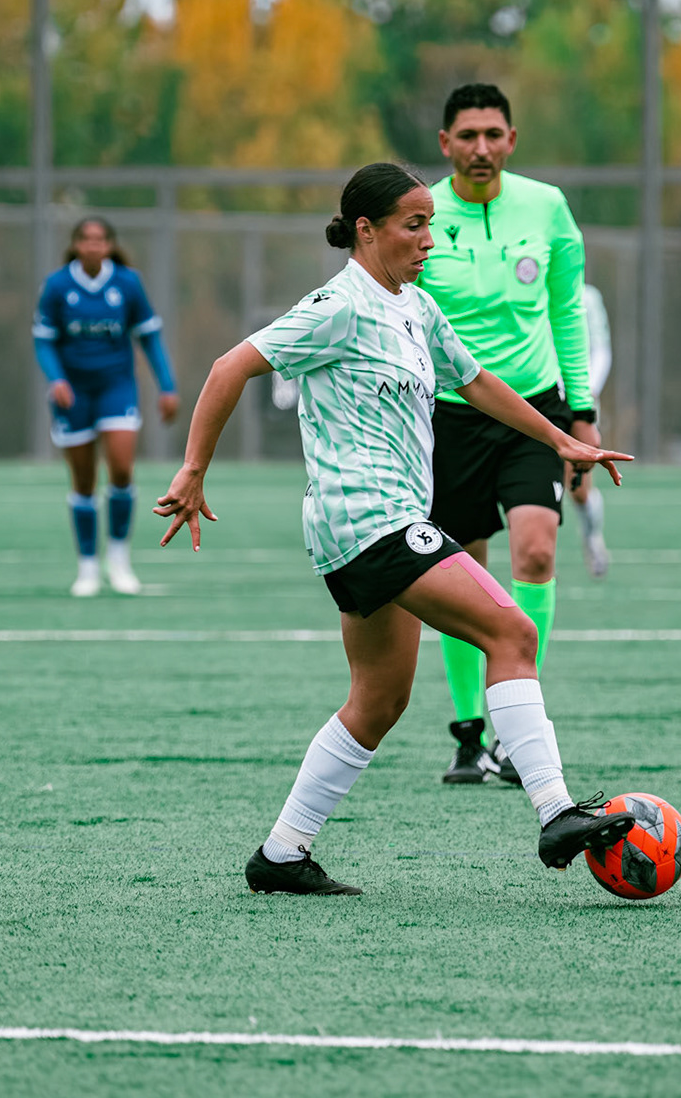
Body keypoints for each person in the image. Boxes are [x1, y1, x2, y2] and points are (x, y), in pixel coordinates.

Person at [154, 162, 635, 896]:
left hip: (374, 522)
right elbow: (229, 367)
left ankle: (281, 854)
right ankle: (555, 810)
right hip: (368, 516)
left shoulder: (415, 307)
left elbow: (475, 382)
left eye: (431, 225)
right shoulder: (337, 306)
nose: (428, 239)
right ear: (366, 230)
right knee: (512, 633)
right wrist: (193, 470)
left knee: (379, 699)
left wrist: (561, 437)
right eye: (414, 225)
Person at [418, 82, 598, 786]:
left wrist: (579, 411)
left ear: (512, 140)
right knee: (465, 572)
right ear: (446, 145)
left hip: (533, 412)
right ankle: (469, 732)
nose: (482, 148)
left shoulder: (547, 208)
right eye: (468, 135)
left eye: (494, 134)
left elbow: (566, 314)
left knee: (536, 548)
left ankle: (515, 731)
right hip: (450, 415)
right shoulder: (422, 213)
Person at [33, 216, 179, 597]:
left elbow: (150, 338)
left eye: (101, 239)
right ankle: (87, 566)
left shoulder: (128, 283)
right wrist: (57, 379)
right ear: (76, 245)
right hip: (74, 394)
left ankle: (118, 559)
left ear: (110, 244)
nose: (94, 245)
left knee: (120, 468)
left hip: (117, 389)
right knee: (83, 481)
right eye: (86, 239)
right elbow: (44, 342)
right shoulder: (58, 286)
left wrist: (167, 386)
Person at [569, 282, 613, 579]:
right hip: (533, 400)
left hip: (575, 403)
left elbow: (600, 349)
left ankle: (592, 536)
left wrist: (588, 392)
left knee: (579, 490)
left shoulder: (588, 297)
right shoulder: (527, 288)